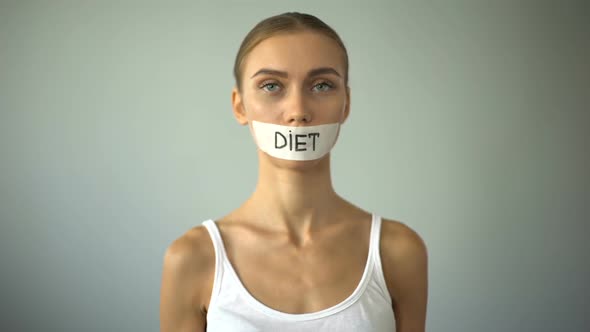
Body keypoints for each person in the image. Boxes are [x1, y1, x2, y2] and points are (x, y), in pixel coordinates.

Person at [160, 12, 428, 332]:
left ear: (346, 104)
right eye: (271, 85)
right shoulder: (193, 258)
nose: (298, 112)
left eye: (322, 85)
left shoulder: (398, 252)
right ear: (240, 106)